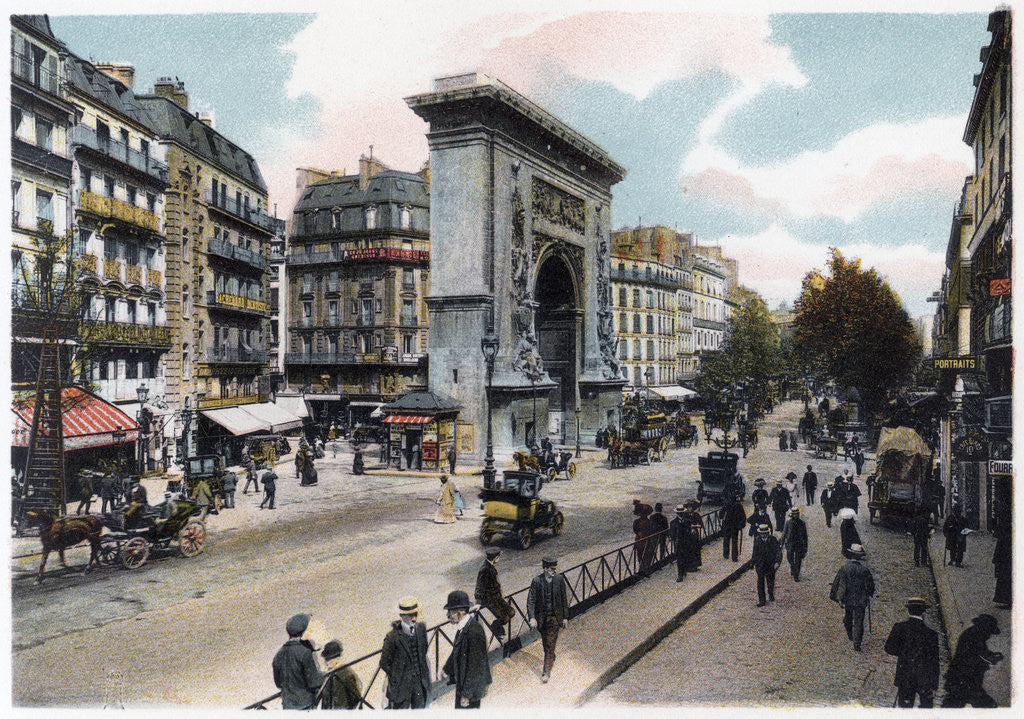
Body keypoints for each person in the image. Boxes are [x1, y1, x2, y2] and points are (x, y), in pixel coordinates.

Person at [884, 598, 939, 707]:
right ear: (923, 612)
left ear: (908, 611)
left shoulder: (899, 627)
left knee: (905, 709)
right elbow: (934, 662)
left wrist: (904, 652)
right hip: (925, 679)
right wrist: (934, 685)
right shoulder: (931, 634)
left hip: (905, 676)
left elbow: (888, 648)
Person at [941, 613, 1004, 707]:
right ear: (984, 629)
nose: (989, 635)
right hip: (964, 681)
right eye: (989, 632)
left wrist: (992, 655)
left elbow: (981, 651)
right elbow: (979, 655)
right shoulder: (975, 636)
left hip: (962, 680)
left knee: (952, 705)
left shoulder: (973, 634)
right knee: (986, 705)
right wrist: (992, 658)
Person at [441, 590, 491, 708]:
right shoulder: (464, 627)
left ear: (461, 612)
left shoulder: (474, 630)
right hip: (463, 683)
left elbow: (475, 667)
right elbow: (457, 650)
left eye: (450, 611)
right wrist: (447, 669)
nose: (448, 615)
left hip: (471, 688)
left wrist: (467, 695)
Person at [380, 596, 431, 709]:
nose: (413, 618)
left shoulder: (421, 628)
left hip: (420, 683)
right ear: (402, 616)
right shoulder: (392, 637)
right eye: (410, 615)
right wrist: (398, 676)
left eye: (415, 614)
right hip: (402, 687)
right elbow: (384, 663)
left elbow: (424, 650)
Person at [527, 557, 569, 683]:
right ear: (545, 569)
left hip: (555, 618)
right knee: (546, 642)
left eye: (555, 569)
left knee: (550, 644)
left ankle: (546, 672)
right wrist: (532, 617)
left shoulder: (559, 579)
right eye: (551, 569)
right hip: (541, 619)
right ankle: (551, 656)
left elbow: (564, 599)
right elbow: (531, 600)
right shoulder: (536, 581)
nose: (554, 571)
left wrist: (565, 617)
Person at [271, 613, 324, 710]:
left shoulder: (278, 655)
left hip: (288, 707)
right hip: (305, 706)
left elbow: (278, 684)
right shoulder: (305, 652)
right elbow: (314, 682)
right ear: (303, 632)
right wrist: (323, 674)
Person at [830, 544, 875, 651]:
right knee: (859, 621)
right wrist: (869, 593)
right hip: (860, 600)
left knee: (848, 618)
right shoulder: (864, 570)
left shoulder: (845, 568)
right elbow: (870, 585)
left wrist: (838, 597)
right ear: (860, 557)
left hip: (848, 599)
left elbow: (839, 583)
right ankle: (857, 644)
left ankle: (850, 634)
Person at [475, 547, 514, 637]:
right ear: (495, 558)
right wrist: (478, 602)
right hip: (489, 599)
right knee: (504, 618)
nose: (499, 559)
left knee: (511, 612)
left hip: (496, 596)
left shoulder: (491, 566)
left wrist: (502, 595)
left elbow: (497, 584)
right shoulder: (484, 569)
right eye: (499, 557)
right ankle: (495, 628)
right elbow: (479, 586)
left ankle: (498, 628)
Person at [320, 639, 362, 710]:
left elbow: (356, 697)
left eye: (328, 659)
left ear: (337, 658)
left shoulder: (346, 673)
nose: (325, 662)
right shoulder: (328, 674)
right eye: (325, 659)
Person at [752, 524, 781, 607]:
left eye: (765, 533)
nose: (763, 535)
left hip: (770, 565)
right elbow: (755, 553)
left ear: (768, 532)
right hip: (760, 565)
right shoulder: (757, 540)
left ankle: (771, 593)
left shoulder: (773, 540)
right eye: (762, 533)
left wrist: (777, 562)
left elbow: (778, 552)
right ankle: (762, 600)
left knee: (770, 581)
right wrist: (753, 563)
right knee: (760, 583)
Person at [781, 507, 808, 581]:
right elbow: (784, 533)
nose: (796, 515)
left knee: (798, 560)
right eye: (794, 514)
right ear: (792, 515)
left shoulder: (802, 523)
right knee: (789, 558)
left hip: (799, 544)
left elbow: (805, 536)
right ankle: (792, 566)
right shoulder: (788, 523)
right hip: (790, 543)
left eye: (797, 514)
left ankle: (796, 575)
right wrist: (781, 543)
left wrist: (805, 547)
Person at [719, 495, 746, 562]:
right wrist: (741, 525)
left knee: (726, 540)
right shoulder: (738, 505)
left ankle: (726, 555)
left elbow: (721, 515)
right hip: (735, 525)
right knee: (734, 541)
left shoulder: (727, 504)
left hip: (728, 525)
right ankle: (734, 557)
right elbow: (743, 516)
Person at [992, 520, 1011, 607]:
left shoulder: (1003, 537)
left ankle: (1006, 600)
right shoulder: (1005, 536)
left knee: (1004, 579)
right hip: (1005, 560)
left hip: (1005, 560)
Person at [670, 505, 691, 581]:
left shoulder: (688, 521)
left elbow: (689, 533)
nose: (680, 514)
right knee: (679, 560)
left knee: (685, 558)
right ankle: (680, 575)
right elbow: (671, 535)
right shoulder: (673, 523)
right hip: (678, 544)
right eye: (679, 513)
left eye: (681, 513)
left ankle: (684, 571)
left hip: (686, 543)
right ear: (677, 513)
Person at [632, 502, 653, 576]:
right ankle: (643, 570)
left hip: (640, 540)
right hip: (643, 540)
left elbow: (635, 531)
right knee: (644, 555)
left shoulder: (637, 521)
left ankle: (642, 570)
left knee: (642, 555)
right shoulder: (648, 521)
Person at [685, 501, 703, 571]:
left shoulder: (696, 515)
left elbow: (701, 525)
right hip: (687, 534)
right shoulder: (685, 515)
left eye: (690, 507)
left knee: (695, 550)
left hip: (694, 534)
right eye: (688, 507)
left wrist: (694, 526)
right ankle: (688, 566)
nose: (689, 509)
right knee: (688, 550)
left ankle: (695, 565)